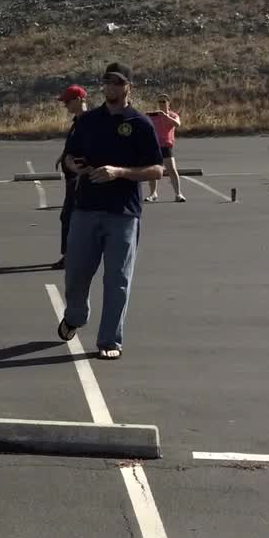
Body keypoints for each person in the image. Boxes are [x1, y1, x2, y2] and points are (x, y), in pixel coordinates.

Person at [58, 63, 164, 360]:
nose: (111, 88)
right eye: (107, 83)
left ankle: (110, 340)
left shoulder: (140, 123)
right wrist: (73, 165)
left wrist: (119, 172)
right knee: (76, 274)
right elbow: (68, 156)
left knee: (117, 279)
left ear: (129, 86)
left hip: (123, 213)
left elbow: (157, 170)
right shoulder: (89, 120)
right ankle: (76, 316)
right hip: (86, 209)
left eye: (118, 83)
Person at [51, 85, 89, 269]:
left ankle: (71, 256)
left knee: (70, 217)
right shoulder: (78, 121)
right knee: (69, 217)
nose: (65, 105)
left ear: (80, 100)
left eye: (68, 101)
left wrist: (76, 167)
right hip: (73, 177)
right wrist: (64, 155)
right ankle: (70, 255)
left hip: (80, 178)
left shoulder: (90, 121)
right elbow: (74, 146)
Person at [145, 94, 186, 203]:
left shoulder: (173, 115)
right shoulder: (154, 116)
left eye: (163, 101)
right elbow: (144, 125)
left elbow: (177, 124)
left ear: (168, 103)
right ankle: (153, 193)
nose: (161, 104)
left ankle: (178, 194)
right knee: (153, 171)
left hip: (166, 146)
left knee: (172, 170)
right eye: (160, 102)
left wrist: (165, 116)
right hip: (154, 146)